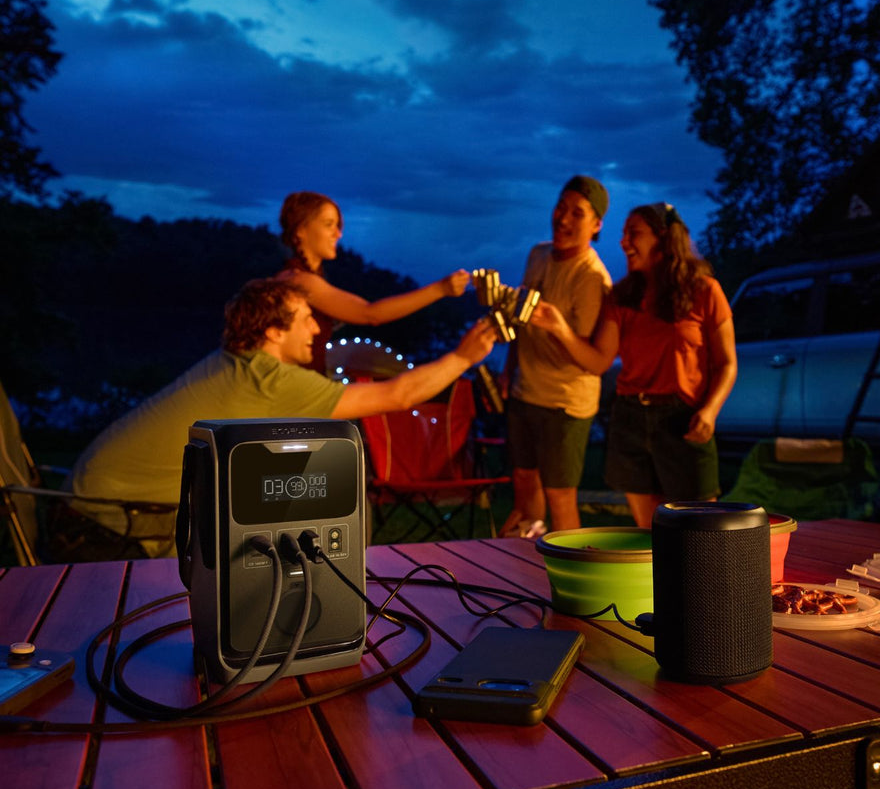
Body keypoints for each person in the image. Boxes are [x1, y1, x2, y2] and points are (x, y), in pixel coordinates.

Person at [68, 277, 496, 548]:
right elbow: (398, 396)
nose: (316, 329)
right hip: (106, 527)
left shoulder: (238, 362)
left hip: (89, 503)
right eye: (307, 319)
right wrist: (463, 357)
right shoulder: (269, 378)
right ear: (273, 331)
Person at [530, 203, 737, 529]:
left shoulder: (704, 291)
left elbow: (727, 363)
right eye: (624, 234)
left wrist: (710, 410)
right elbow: (599, 361)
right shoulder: (622, 296)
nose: (623, 242)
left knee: (701, 532)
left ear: (664, 238)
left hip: (682, 420)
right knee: (649, 534)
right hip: (631, 419)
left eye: (634, 234)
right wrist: (559, 329)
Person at [500, 175, 612, 536]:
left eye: (576, 213)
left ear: (596, 225)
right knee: (523, 481)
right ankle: (527, 564)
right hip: (525, 390)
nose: (563, 219)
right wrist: (509, 368)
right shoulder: (538, 254)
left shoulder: (592, 277)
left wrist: (559, 327)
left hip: (566, 401)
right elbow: (521, 317)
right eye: (560, 208)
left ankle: (571, 576)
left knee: (560, 496)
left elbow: (590, 357)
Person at [275, 191, 470, 372]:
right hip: (301, 399)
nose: (338, 234)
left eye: (338, 226)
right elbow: (370, 314)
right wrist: (441, 289)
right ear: (300, 230)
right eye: (328, 224)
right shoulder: (299, 280)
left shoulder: (305, 277)